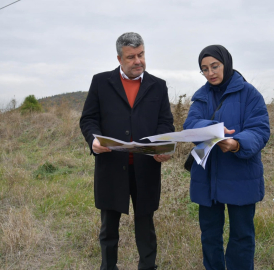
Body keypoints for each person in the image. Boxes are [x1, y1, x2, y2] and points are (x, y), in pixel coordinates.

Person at [80, 32, 174, 270]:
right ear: (119, 58)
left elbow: (165, 123)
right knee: (108, 228)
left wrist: (162, 147)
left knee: (146, 226)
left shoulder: (158, 86)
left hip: (146, 167)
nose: (138, 61)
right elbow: (89, 119)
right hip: (111, 166)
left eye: (141, 54)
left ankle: (147, 266)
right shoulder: (101, 82)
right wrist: (93, 140)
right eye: (131, 57)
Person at [183, 45, 270, 270]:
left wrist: (236, 143)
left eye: (215, 66)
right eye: (204, 69)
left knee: (241, 235)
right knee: (210, 235)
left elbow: (259, 130)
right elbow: (190, 125)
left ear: (226, 63)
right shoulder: (201, 97)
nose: (210, 72)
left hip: (240, 174)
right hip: (207, 177)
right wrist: (214, 129)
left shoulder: (250, 94)